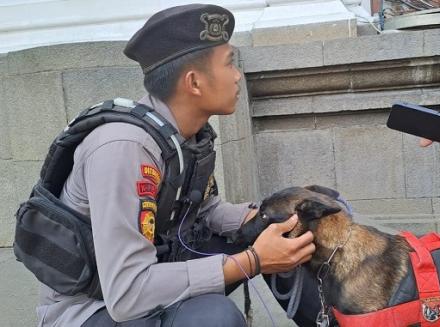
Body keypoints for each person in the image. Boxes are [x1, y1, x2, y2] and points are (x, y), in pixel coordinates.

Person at [33, 4, 320, 326]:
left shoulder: (182, 137)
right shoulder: (124, 149)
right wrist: (253, 261)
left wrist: (272, 218)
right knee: (214, 318)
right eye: (229, 63)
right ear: (194, 82)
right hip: (94, 309)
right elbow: (126, 294)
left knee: (290, 236)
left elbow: (206, 211)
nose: (238, 75)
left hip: (157, 269)